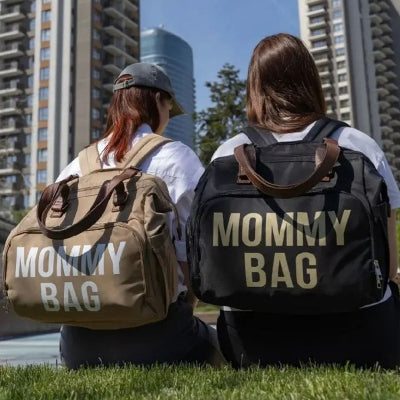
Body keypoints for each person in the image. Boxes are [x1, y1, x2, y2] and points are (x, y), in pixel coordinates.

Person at [212, 33, 400, 368]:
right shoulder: (358, 145)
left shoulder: (229, 154)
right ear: (310, 81)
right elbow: (390, 263)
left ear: (254, 86)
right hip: (361, 335)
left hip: (251, 342)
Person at [57, 62, 223, 368]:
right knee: (224, 346)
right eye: (169, 108)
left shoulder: (76, 166)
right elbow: (195, 257)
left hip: (76, 344)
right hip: (160, 336)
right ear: (157, 101)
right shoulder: (176, 157)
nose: (167, 120)